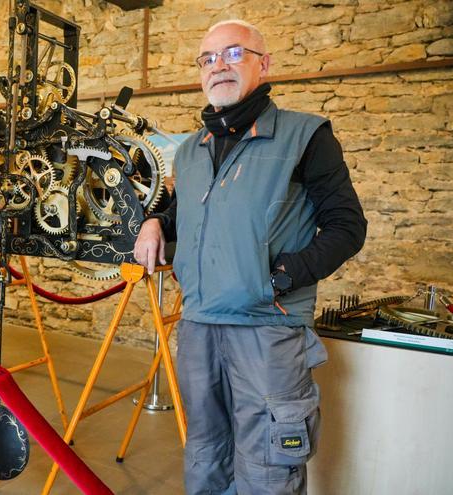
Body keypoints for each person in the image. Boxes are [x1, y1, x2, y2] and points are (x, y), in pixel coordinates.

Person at [134, 20, 367, 494]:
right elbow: (189, 211)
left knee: (268, 464)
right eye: (208, 59)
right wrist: (156, 220)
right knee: (205, 453)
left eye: (234, 54)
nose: (219, 66)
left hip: (267, 329)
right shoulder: (191, 152)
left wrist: (279, 280)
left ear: (265, 63)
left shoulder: (306, 136)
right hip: (199, 326)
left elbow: (347, 226)